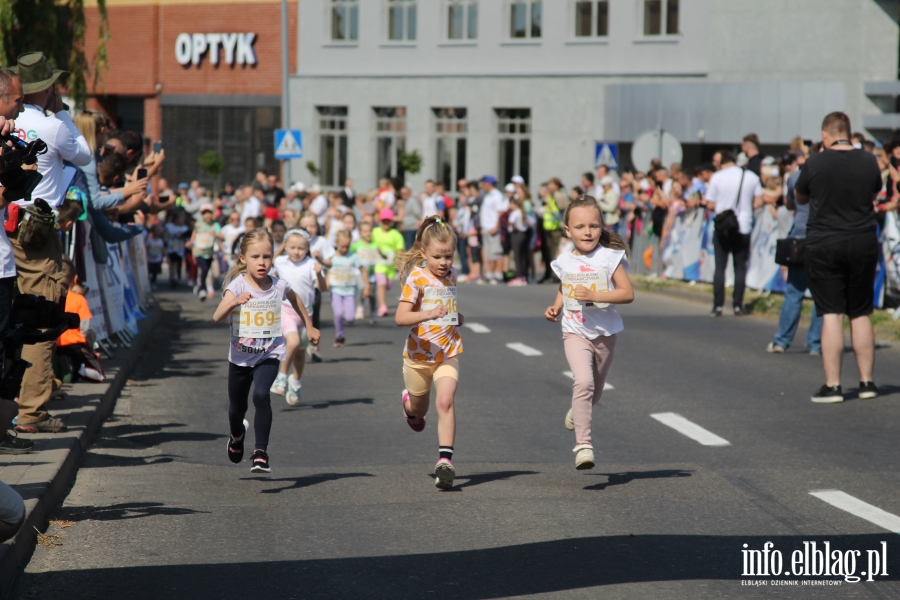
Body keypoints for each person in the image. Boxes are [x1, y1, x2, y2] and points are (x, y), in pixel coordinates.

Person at [8, 54, 93, 434]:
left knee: (10, 315)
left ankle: (18, 403)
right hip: (38, 232)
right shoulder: (51, 124)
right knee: (40, 317)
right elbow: (86, 156)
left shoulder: (11, 120)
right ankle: (32, 412)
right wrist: (63, 114)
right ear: (47, 88)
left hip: (7, 224)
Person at [213, 229, 320, 473]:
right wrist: (234, 301)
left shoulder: (279, 284)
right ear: (243, 259)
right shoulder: (237, 285)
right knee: (236, 410)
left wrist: (310, 326)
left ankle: (260, 452)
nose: (262, 262)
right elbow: (217, 316)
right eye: (255, 257)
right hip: (240, 357)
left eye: (267, 257)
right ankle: (237, 436)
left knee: (261, 395)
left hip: (269, 353)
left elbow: (296, 300)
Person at [795, 112, 883, 403]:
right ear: (848, 131)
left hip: (824, 242)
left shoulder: (815, 162)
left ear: (825, 136)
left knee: (831, 312)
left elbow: (800, 196)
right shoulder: (869, 160)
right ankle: (867, 382)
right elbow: (874, 191)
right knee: (860, 311)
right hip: (862, 240)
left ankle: (833, 386)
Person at [544, 195, 633, 470]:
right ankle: (583, 446)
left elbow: (627, 293)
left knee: (595, 391)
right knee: (583, 383)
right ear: (568, 231)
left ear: (602, 227)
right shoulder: (564, 260)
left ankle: (577, 410)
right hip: (575, 330)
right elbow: (564, 286)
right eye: (580, 227)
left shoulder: (609, 257)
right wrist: (556, 306)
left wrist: (595, 293)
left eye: (594, 226)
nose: (587, 232)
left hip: (605, 333)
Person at [394, 216, 465, 490]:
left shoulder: (453, 275)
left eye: (448, 255)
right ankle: (408, 407)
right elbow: (401, 317)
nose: (444, 262)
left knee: (445, 401)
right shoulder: (417, 278)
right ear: (424, 253)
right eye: (438, 256)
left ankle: (444, 461)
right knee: (419, 409)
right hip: (418, 357)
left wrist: (458, 318)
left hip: (447, 351)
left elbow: (450, 312)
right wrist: (429, 314)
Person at [767, 151, 823, 356]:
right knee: (821, 295)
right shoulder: (831, 175)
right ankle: (815, 344)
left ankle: (782, 341)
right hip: (824, 237)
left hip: (801, 236)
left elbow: (790, 202)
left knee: (794, 292)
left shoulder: (796, 177)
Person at [271, 232, 327, 405]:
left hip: (305, 315)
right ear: (285, 246)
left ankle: (295, 383)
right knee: (293, 343)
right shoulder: (279, 261)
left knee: (301, 353)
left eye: (301, 248)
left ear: (308, 249)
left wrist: (319, 274)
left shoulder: (312, 264)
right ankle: (281, 377)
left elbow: (324, 288)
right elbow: (267, 264)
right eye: (292, 247)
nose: (296, 251)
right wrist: (279, 249)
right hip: (286, 311)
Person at [704, 151, 762, 317]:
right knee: (740, 267)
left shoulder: (717, 177)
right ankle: (738, 305)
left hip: (723, 227)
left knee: (720, 266)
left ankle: (718, 305)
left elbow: (710, 203)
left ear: (722, 162)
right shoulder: (751, 177)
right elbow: (759, 200)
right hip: (743, 226)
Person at [56, 259, 106, 382]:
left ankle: (65, 371)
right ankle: (76, 369)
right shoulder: (79, 300)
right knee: (99, 375)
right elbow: (85, 329)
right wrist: (92, 350)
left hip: (54, 345)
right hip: (75, 345)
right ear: (75, 278)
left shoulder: (52, 298)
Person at [329, 230, 370, 347]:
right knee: (338, 314)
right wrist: (326, 282)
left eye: (347, 246)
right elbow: (327, 271)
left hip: (349, 291)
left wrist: (367, 286)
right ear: (336, 243)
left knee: (350, 318)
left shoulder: (353, 256)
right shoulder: (332, 257)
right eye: (342, 246)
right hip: (335, 289)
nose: (344, 249)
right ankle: (339, 335)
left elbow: (363, 270)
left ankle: (346, 314)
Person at [372, 208, 405, 317]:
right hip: (379, 264)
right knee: (381, 283)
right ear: (380, 221)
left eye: (388, 221)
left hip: (390, 266)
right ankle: (382, 306)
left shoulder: (396, 234)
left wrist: (398, 264)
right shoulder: (375, 232)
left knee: (388, 285)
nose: (386, 223)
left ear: (391, 221)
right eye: (384, 221)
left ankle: (382, 302)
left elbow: (400, 250)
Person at [478, 176, 506, 284]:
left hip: (493, 228)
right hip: (486, 228)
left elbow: (500, 212)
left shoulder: (497, 195)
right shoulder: (487, 196)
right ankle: (490, 274)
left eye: (483, 183)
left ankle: (498, 274)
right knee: (489, 252)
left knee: (496, 252)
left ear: (488, 183)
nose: (482, 185)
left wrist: (496, 227)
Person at [351, 221, 380, 322]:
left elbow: (383, 257)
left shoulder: (375, 245)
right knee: (362, 288)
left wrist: (379, 252)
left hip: (371, 274)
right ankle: (359, 308)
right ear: (360, 233)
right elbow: (350, 255)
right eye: (365, 231)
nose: (368, 233)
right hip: (359, 272)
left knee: (372, 294)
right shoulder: (356, 245)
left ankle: (373, 313)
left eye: (370, 231)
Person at [507, 196, 529, 286]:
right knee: (523, 256)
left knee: (517, 256)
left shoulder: (515, 212)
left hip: (516, 234)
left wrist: (514, 228)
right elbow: (532, 222)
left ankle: (519, 276)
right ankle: (524, 276)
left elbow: (511, 222)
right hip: (524, 234)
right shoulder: (523, 212)